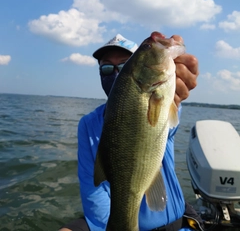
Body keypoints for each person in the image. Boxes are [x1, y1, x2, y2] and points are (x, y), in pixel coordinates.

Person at [60, 33, 202, 231]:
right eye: (107, 67)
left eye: (125, 63)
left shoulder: (163, 100)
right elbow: (94, 191)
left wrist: (175, 96)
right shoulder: (88, 124)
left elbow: (169, 124)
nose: (116, 73)